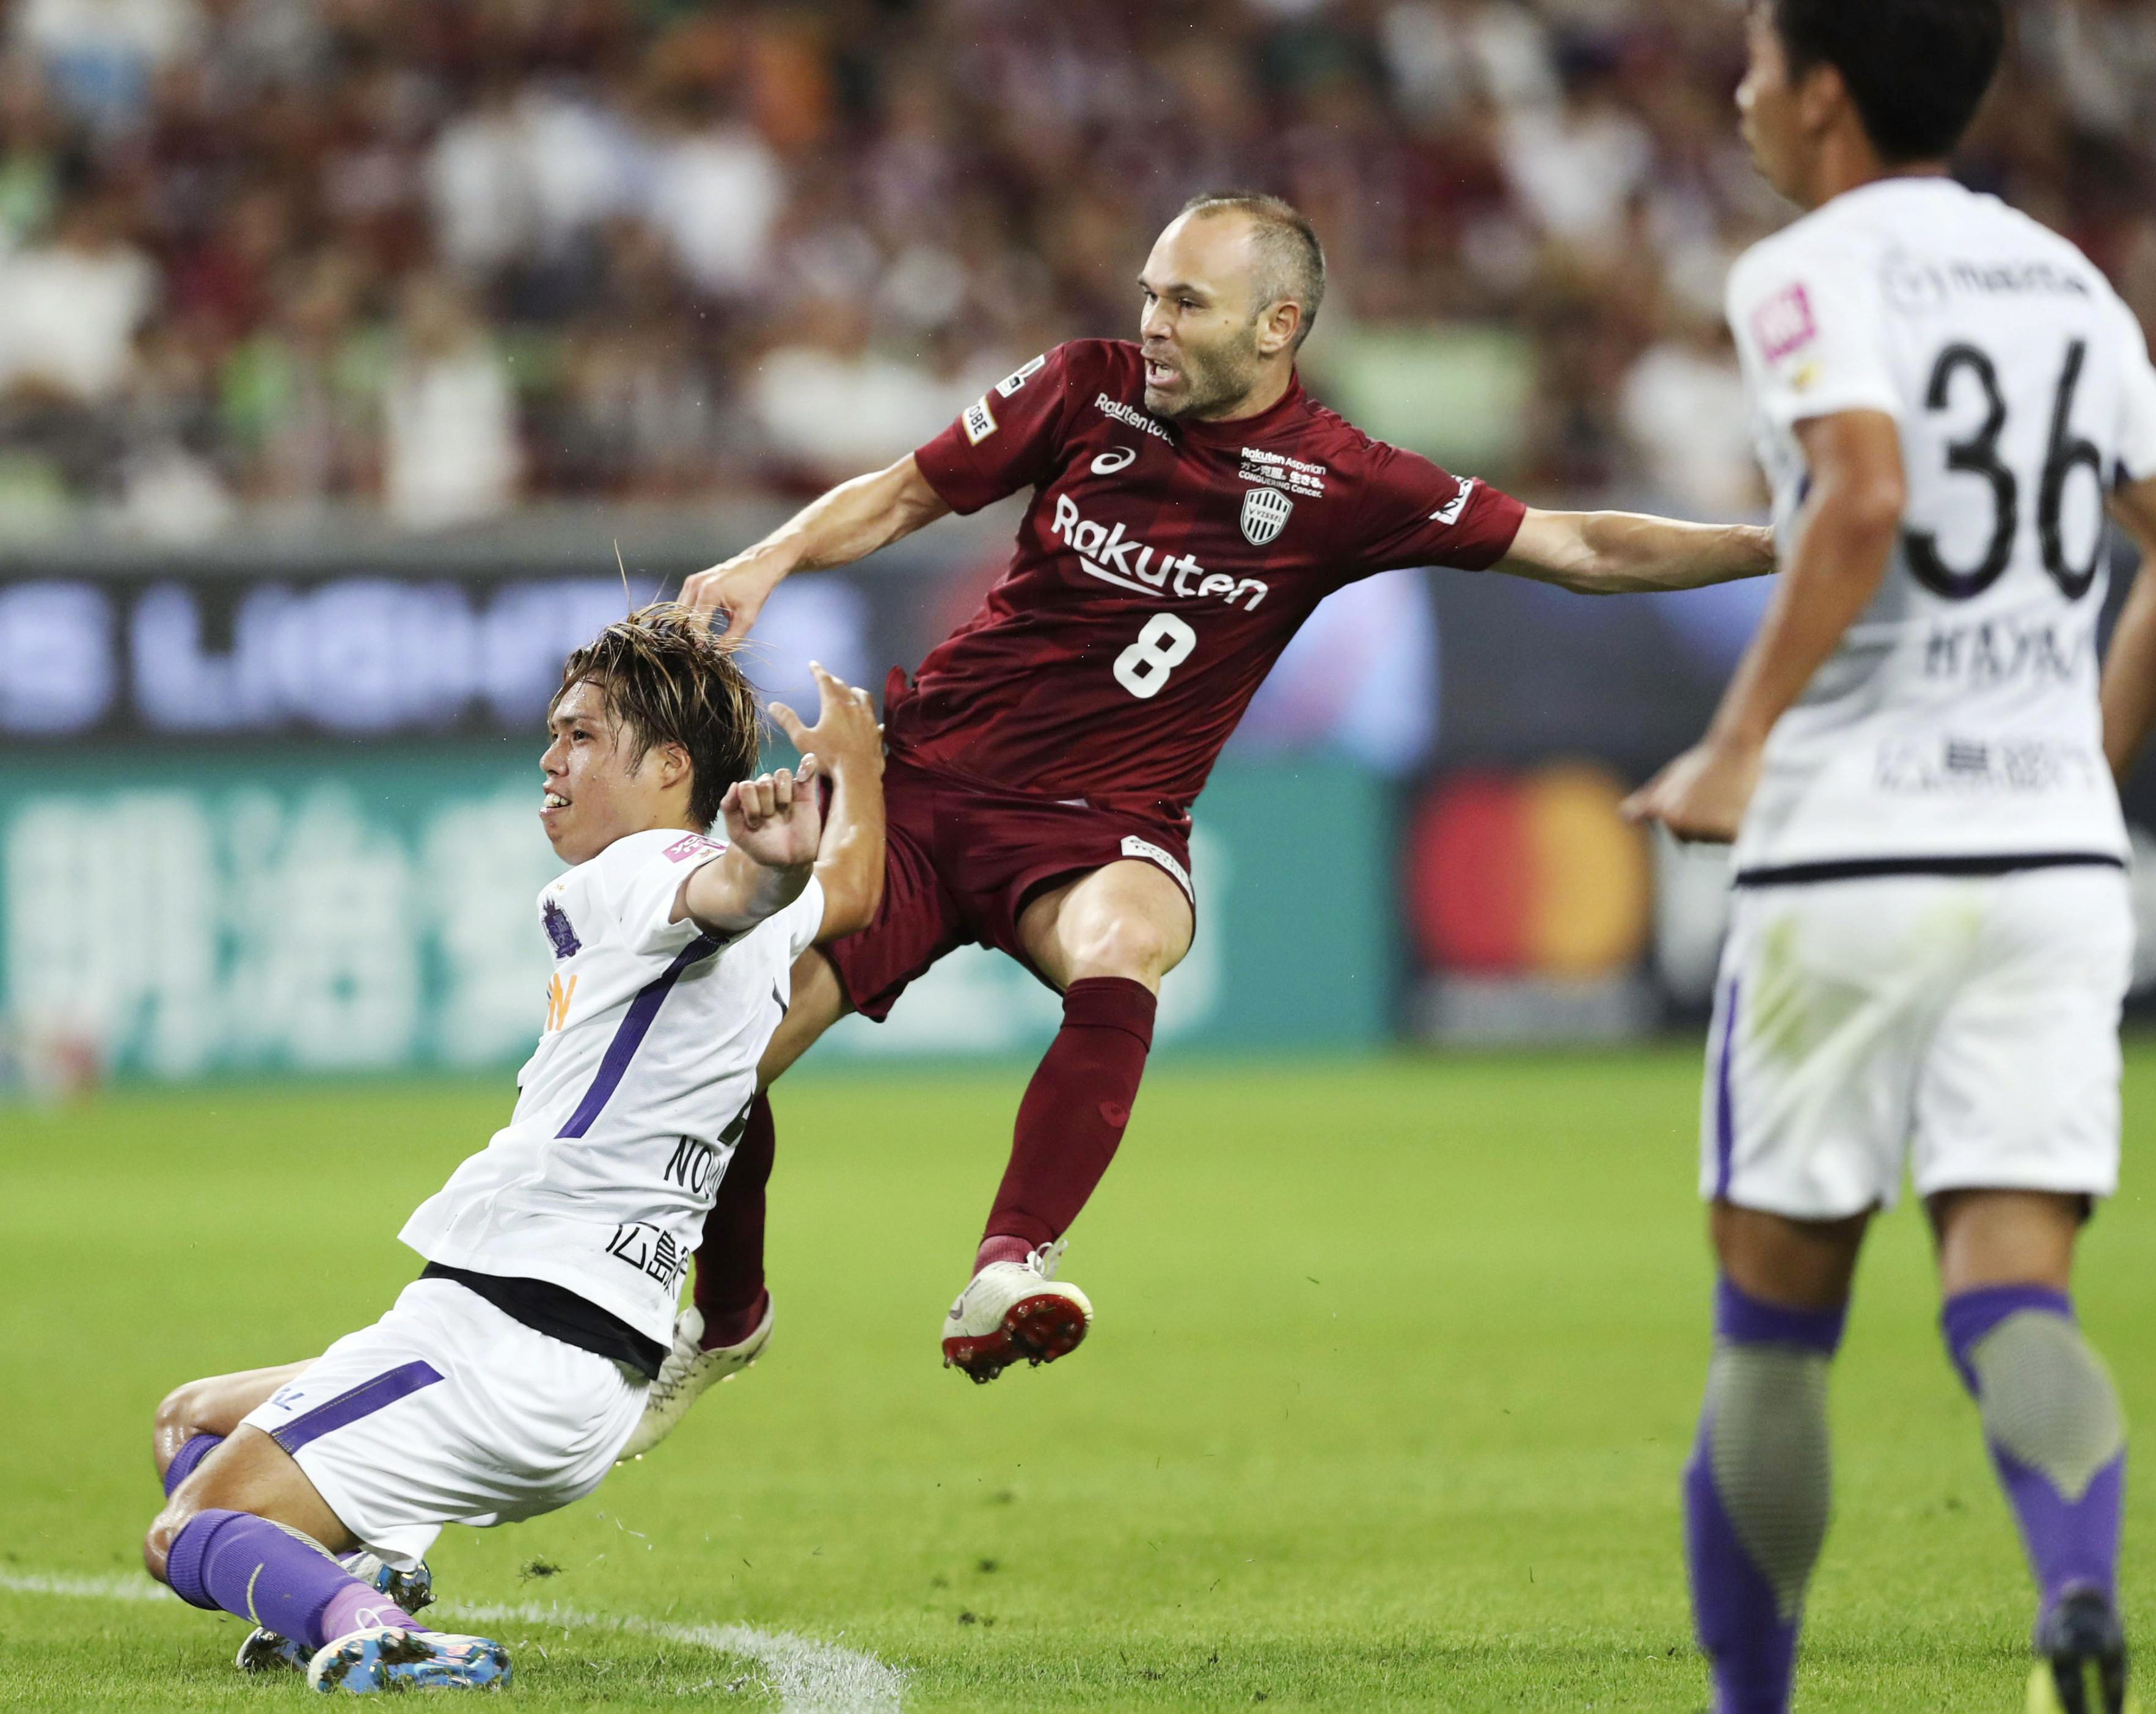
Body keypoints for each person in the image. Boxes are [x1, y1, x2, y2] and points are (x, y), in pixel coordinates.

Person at [621, 189, 1777, 1455]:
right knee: (721, 1052)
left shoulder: (1347, 480)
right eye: (1151, 293)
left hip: (1102, 821)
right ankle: (729, 1317)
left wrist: (1788, 542)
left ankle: (1010, 1261)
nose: (1153, 323)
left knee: (1126, 936)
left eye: (1186, 301)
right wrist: (765, 560)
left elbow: (1585, 547)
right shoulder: (1083, 387)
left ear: (1278, 326)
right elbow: (905, 493)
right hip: (919, 788)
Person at [1622, 4, 2156, 1712]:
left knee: (1776, 1331)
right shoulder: (2066, 281)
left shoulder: (1804, 271)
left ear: (1820, 92)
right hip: (2048, 857)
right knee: (2017, 1291)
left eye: (1755, 58)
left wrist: (1736, 741)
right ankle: (2082, 1595)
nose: (1742, 89)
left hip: (1849, 855)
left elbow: (1865, 494)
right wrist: (2075, 765)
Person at [139, 610, 885, 1693]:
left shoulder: (645, 868)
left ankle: (365, 1620)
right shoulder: (752, 887)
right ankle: (368, 1568)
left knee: (185, 1531)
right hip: (574, 1354)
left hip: (505, 1335)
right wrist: (854, 774)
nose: (551, 757)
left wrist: (763, 871)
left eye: (582, 736)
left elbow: (725, 891)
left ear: (670, 767)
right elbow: (845, 889)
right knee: (190, 1415)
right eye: (554, 731)